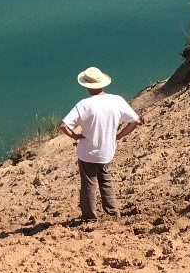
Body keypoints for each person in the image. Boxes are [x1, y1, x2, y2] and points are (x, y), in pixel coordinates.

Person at [60, 67, 141, 221]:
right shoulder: (117, 100)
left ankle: (90, 217)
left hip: (87, 152)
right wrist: (118, 136)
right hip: (107, 150)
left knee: (88, 184)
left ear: (87, 85)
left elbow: (64, 125)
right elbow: (135, 121)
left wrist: (76, 136)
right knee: (106, 180)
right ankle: (112, 212)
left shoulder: (84, 104)